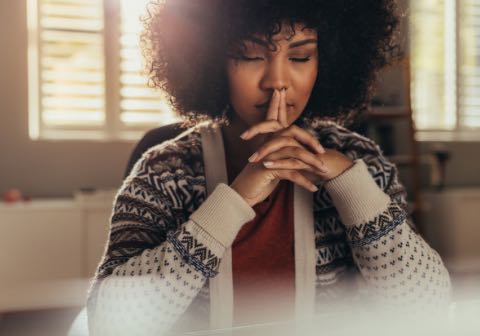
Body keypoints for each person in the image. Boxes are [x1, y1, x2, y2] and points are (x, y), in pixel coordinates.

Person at [86, 1, 452, 335]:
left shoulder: (360, 160)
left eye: (300, 57)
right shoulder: (166, 171)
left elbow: (428, 308)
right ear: (210, 59)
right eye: (250, 55)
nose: (277, 80)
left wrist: (348, 183)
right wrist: (236, 199)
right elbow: (109, 322)